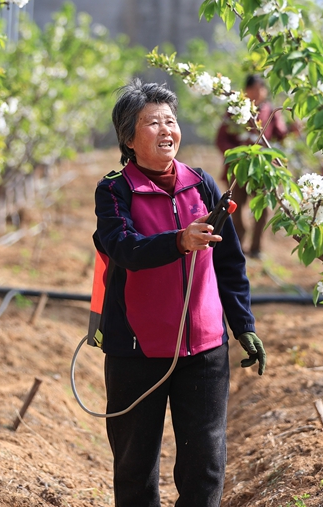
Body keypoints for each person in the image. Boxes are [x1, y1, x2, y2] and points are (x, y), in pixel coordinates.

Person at [93, 79, 265, 507]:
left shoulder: (201, 183)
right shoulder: (114, 190)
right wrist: (178, 241)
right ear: (129, 138)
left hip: (204, 350)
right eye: (153, 123)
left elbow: (229, 263)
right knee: (135, 467)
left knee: (204, 465)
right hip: (136, 350)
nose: (166, 129)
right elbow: (123, 248)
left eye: (171, 120)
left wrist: (242, 325)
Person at [215, 74, 289, 258]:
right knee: (235, 207)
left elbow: (280, 134)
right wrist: (237, 153)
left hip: (262, 169)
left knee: (263, 208)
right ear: (246, 91)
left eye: (260, 89)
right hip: (240, 168)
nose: (257, 93)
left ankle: (256, 248)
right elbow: (221, 138)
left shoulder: (270, 112)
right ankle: (238, 242)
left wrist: (290, 129)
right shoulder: (235, 110)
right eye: (253, 89)